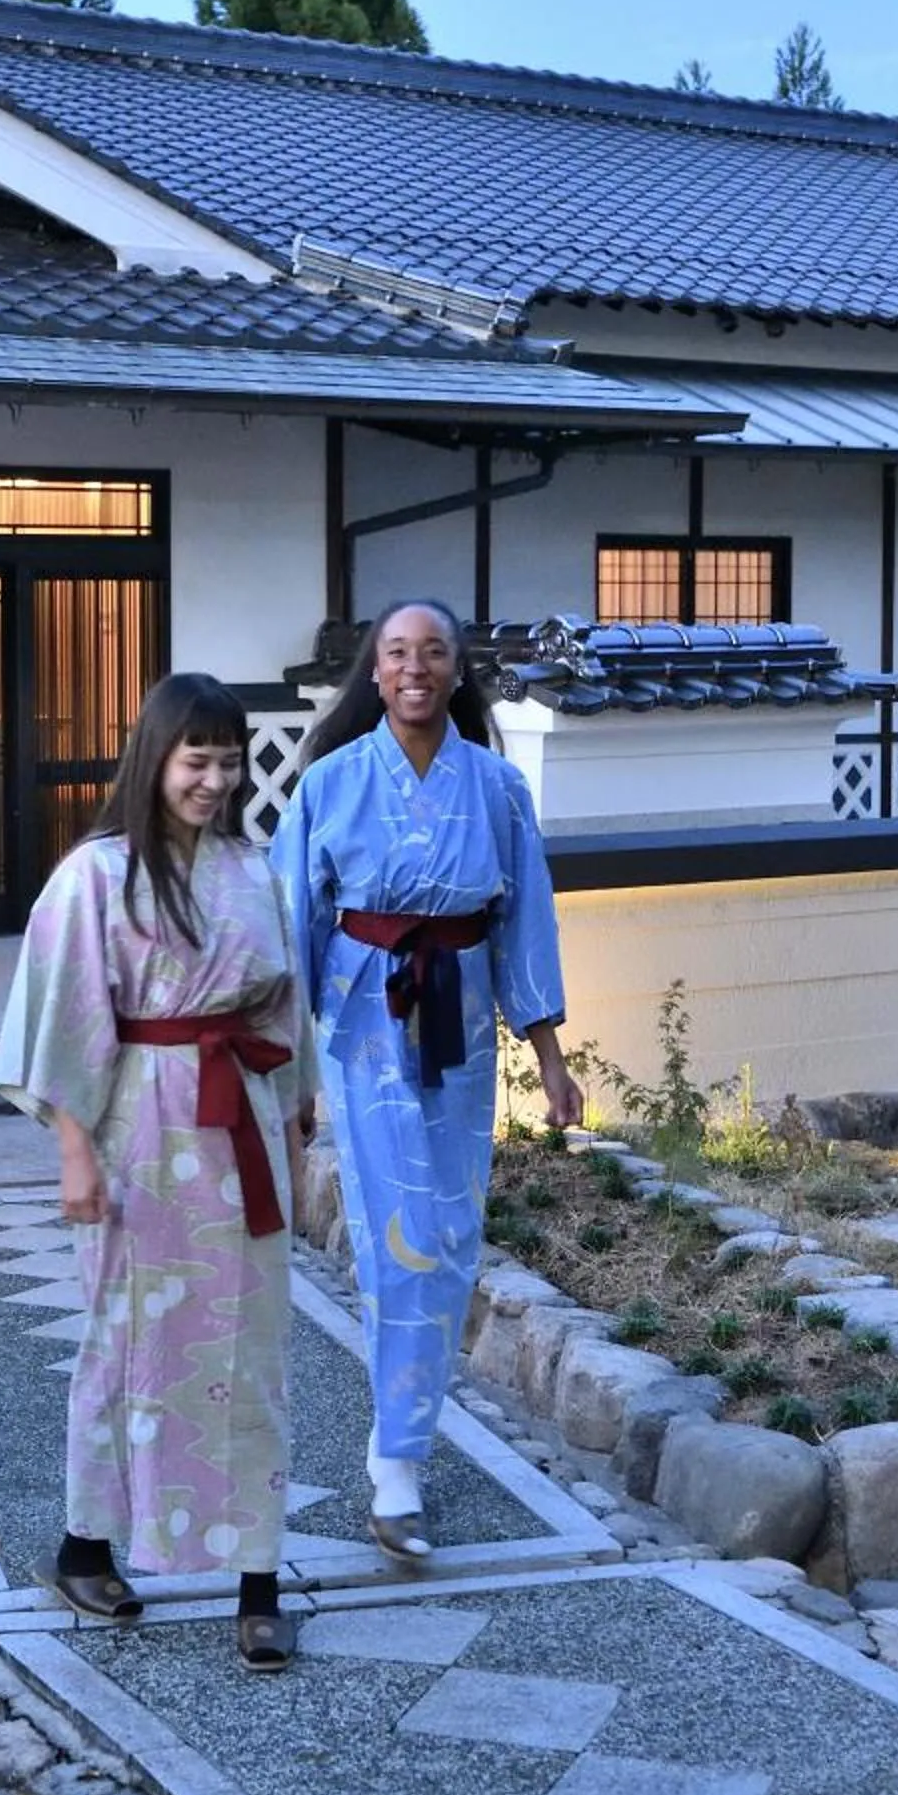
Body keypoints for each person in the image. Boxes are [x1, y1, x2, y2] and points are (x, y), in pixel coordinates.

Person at [0, 672, 311, 1673]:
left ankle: (259, 1579)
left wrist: (296, 1136)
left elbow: (280, 1017)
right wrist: (73, 1151)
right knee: (124, 1338)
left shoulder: (253, 869)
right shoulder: (93, 875)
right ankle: (85, 1545)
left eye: (227, 759)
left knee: (250, 1350)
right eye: (194, 759)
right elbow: (62, 1017)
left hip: (240, 1130)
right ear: (155, 758)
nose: (213, 779)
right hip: (138, 1127)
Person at [274, 600, 583, 1563]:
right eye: (397, 653)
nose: (414, 669)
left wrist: (551, 1056)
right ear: (374, 671)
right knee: (391, 1231)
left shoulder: (495, 788)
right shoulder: (329, 784)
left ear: (456, 672)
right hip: (366, 1021)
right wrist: (291, 1073)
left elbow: (525, 918)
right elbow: (292, 925)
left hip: (461, 1022)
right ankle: (397, 1461)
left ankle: (400, 1438)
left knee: (450, 1235)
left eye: (433, 653)